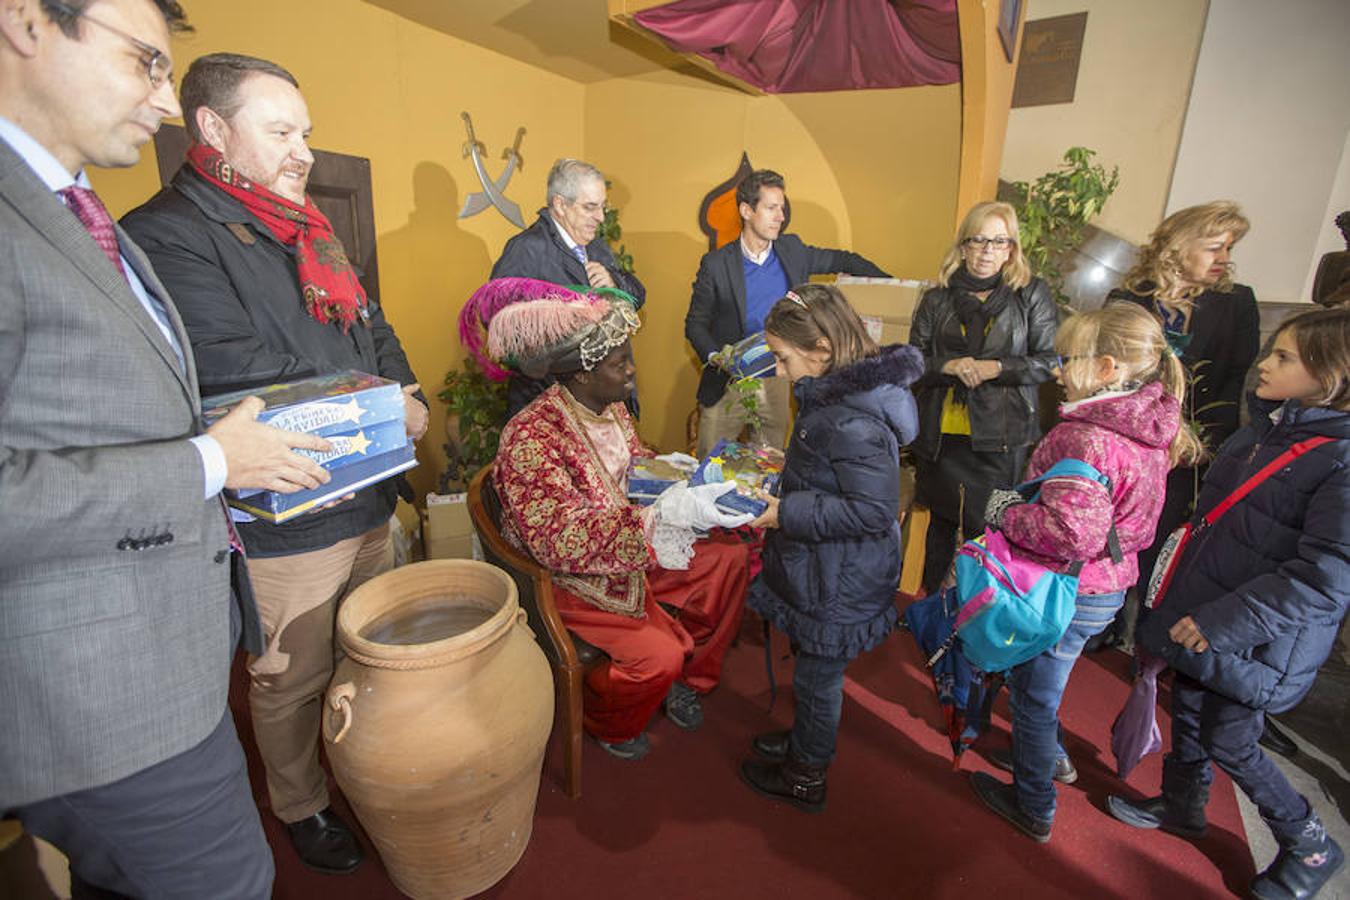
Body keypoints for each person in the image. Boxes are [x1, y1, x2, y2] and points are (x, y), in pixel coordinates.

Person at [0, 3, 336, 896]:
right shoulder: (149, 226)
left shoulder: (72, 212)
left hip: (170, 648)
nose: (162, 96)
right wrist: (209, 463)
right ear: (27, 22)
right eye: (145, 60)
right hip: (97, 689)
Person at [121, 52, 428, 876]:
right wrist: (379, 402)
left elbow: (376, 329)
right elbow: (237, 367)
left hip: (368, 489)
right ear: (215, 130)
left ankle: (361, 767)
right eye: (282, 131)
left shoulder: (315, 230)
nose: (304, 152)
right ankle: (302, 802)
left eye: (308, 133)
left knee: (370, 650)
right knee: (292, 675)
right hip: (286, 510)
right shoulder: (165, 234)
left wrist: (411, 395)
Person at [1108, 306, 1349, 900]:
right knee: (1188, 712)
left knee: (1233, 741)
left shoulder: (1340, 460)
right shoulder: (1264, 429)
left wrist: (1221, 623)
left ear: (1332, 375)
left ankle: (1310, 843)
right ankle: (1184, 804)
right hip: (1205, 615)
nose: (1263, 364)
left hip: (1254, 635)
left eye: (1283, 358)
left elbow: (1324, 578)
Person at [471, 278, 753, 760]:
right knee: (657, 655)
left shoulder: (612, 407)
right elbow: (557, 540)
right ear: (582, 375)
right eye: (619, 362)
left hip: (627, 548)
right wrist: (657, 520)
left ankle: (685, 676)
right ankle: (608, 720)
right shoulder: (530, 437)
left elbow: (632, 466)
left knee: (730, 559)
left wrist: (675, 475)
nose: (632, 370)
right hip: (570, 577)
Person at [967, 304, 1201, 843]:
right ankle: (1049, 759)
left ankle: (1033, 803)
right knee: (1046, 683)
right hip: (1109, 586)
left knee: (1032, 696)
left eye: (1070, 358)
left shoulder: (1088, 437)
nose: (1058, 369)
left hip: (1069, 585)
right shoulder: (1149, 424)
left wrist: (1005, 512)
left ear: (1107, 368)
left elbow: (1073, 533)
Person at [738, 284, 921, 812]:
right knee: (815, 671)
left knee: (820, 681)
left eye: (781, 357)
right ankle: (803, 742)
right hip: (829, 565)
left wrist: (785, 512)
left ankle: (805, 775)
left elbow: (872, 511)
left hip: (839, 576)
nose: (777, 369)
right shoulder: (837, 396)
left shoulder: (849, 418)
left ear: (820, 348)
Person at [1100, 201, 1259, 652]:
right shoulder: (1128, 300)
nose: (1224, 257)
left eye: (1230, 247)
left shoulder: (1237, 303)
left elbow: (1233, 381)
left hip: (1192, 454)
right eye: (1214, 247)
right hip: (1129, 447)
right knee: (1113, 535)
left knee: (1165, 548)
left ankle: (1148, 640)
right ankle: (1103, 620)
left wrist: (1203, 446)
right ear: (1178, 246)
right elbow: (1114, 377)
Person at [908, 200, 1058, 593]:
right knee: (941, 525)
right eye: (978, 240)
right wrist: (948, 366)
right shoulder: (936, 298)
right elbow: (912, 360)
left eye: (998, 241)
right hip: (943, 435)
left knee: (987, 528)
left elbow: (1048, 361)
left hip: (1000, 439)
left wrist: (997, 368)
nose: (987, 251)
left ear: (1011, 249)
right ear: (962, 246)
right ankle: (929, 608)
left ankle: (972, 609)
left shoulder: (1029, 294)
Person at [685, 169, 890, 455]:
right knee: (709, 468)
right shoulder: (716, 264)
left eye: (782, 208)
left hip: (778, 380)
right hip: (727, 384)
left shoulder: (792, 250)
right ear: (746, 210)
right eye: (771, 208)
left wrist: (894, 285)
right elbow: (695, 324)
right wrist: (718, 359)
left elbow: (844, 259)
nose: (780, 216)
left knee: (769, 467)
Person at [490, 158, 646, 417]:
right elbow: (500, 329)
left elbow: (638, 295)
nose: (600, 217)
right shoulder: (526, 249)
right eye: (590, 207)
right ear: (560, 205)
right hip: (547, 406)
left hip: (601, 403)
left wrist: (614, 282)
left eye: (602, 207)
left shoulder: (595, 245)